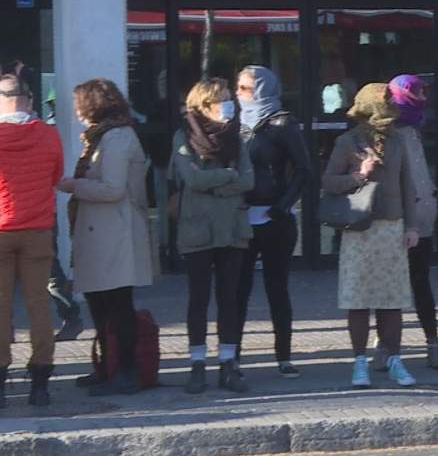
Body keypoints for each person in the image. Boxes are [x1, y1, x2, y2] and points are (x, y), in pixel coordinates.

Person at [59, 78, 158, 396]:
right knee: (100, 303)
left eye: (78, 103)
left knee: (117, 304)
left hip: (114, 231)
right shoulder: (101, 137)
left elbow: (114, 189)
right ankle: (106, 366)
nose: (75, 110)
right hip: (100, 231)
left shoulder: (116, 138)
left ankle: (125, 370)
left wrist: (75, 186)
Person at [323, 83, 419, 388]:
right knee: (359, 299)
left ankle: (394, 359)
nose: (390, 110)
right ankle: (359, 362)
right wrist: (359, 174)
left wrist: (412, 226)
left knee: (392, 300)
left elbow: (408, 185)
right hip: (360, 228)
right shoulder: (347, 141)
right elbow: (328, 182)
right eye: (385, 103)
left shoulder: (398, 141)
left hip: (391, 226)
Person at [172, 79, 254, 394]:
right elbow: (191, 179)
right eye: (221, 99)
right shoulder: (185, 136)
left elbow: (249, 180)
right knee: (198, 298)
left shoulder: (237, 138)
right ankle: (196, 363)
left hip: (233, 229)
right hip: (198, 229)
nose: (228, 104)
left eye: (228, 98)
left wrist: (215, 182)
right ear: (204, 105)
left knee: (229, 298)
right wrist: (227, 177)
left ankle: (229, 363)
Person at [234, 66, 311, 379]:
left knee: (276, 289)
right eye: (237, 87)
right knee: (237, 289)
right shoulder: (233, 124)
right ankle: (232, 356)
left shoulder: (282, 123)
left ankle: (283, 356)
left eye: (245, 88)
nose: (238, 94)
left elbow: (305, 170)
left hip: (274, 219)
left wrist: (282, 206)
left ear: (262, 90)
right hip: (242, 217)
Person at [371, 75, 438, 372]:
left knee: (420, 281)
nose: (418, 98)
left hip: (422, 214)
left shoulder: (415, 128)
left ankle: (433, 342)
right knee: (388, 285)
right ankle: (385, 345)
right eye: (412, 93)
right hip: (394, 215)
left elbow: (419, 172)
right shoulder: (384, 130)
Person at [0, 73, 63, 407]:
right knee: (39, 305)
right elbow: (55, 176)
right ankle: (40, 380)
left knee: (0, 307)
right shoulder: (48, 136)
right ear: (27, 99)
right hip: (38, 230)